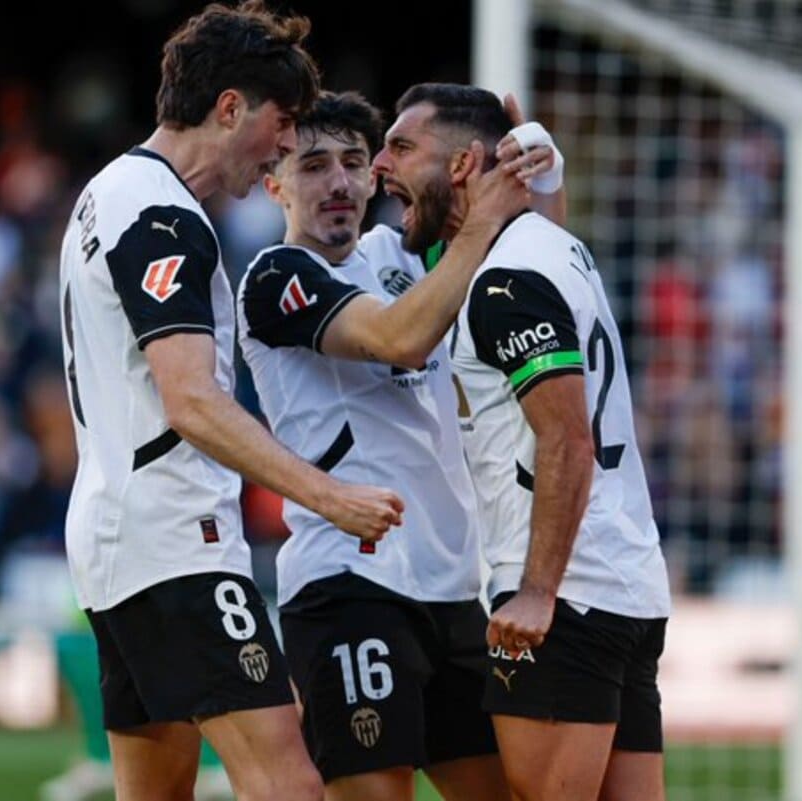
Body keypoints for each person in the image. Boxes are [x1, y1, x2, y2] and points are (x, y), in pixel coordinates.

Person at [56, 4, 405, 800]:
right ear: (229, 108)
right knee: (289, 783)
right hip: (176, 537)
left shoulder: (106, 192)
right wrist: (327, 494)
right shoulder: (165, 216)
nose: (286, 148)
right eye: (282, 126)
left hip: (115, 533)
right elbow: (191, 399)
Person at [235, 90, 552, 801]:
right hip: (350, 586)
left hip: (450, 587)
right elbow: (399, 339)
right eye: (312, 165)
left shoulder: (400, 257)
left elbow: (521, 250)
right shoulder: (275, 277)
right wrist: (481, 228)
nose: (340, 183)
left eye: (353, 161)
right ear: (273, 183)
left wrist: (527, 164)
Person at [372, 83, 673, 801]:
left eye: (402, 146)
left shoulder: (505, 282)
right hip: (623, 582)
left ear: (464, 165)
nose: (380, 163)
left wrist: (537, 590)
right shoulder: (553, 249)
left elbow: (566, 437)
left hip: (563, 596)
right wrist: (548, 180)